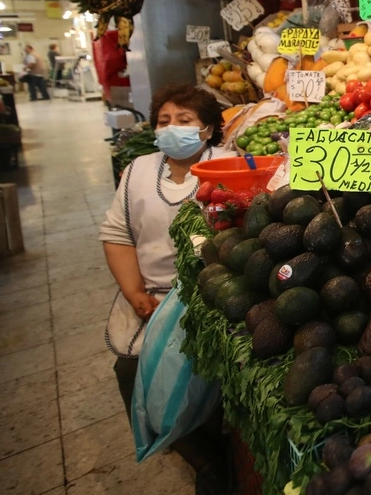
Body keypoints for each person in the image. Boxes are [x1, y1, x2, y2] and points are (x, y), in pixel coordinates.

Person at [99, 84, 234, 494]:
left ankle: (216, 457)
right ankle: (203, 459)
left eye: (184, 121)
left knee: (207, 374)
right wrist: (138, 296)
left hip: (213, 296)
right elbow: (117, 235)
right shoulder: (138, 170)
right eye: (163, 121)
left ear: (208, 129)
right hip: (149, 297)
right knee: (132, 369)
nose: (171, 128)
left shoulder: (229, 166)